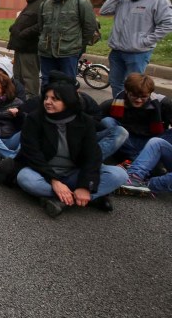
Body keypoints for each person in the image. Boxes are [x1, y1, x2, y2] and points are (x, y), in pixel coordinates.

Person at [15, 79, 128, 218]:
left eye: (55, 99)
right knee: (25, 179)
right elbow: (31, 154)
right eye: (46, 97)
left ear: (68, 101)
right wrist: (54, 181)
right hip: (43, 173)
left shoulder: (84, 121)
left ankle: (61, 200)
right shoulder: (34, 119)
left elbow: (92, 155)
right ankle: (89, 197)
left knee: (119, 174)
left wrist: (85, 185)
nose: (48, 102)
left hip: (74, 172)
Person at [100, 0, 172, 97]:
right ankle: (119, 108)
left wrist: (144, 41)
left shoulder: (159, 0)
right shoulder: (124, 0)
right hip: (116, 52)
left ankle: (132, 112)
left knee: (134, 87)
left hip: (138, 54)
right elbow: (104, 11)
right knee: (115, 83)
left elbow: (167, 24)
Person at [37, 0, 96, 86]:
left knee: (67, 83)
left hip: (68, 52)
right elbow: (41, 27)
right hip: (46, 52)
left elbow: (89, 27)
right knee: (46, 81)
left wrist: (77, 44)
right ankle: (45, 102)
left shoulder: (81, 3)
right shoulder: (45, 5)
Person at [100, 73, 172, 161]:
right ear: (126, 91)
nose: (138, 100)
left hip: (151, 141)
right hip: (126, 140)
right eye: (134, 96)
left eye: (143, 97)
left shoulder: (163, 103)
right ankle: (139, 158)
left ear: (150, 93)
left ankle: (139, 157)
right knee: (107, 121)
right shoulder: (114, 103)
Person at [6, 0, 46, 98]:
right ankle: (18, 98)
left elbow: (42, 24)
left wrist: (24, 33)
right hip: (21, 46)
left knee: (29, 76)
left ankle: (30, 101)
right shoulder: (33, 2)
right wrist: (14, 28)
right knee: (18, 75)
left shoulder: (43, 3)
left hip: (30, 47)